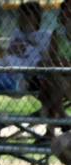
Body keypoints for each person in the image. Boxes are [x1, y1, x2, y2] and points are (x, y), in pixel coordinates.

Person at [39, 0, 70, 138]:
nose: (68, 17)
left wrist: (64, 63)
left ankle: (51, 130)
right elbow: (52, 58)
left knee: (52, 83)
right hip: (58, 76)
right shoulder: (58, 34)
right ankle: (62, 117)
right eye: (66, 13)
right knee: (51, 81)